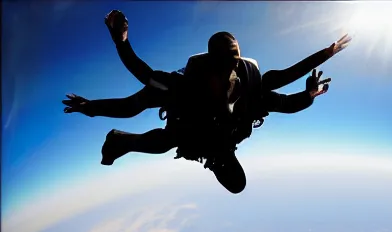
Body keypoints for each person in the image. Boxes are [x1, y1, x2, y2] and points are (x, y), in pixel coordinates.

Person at [62, 10, 351, 193]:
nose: (230, 71)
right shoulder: (182, 86)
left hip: (216, 140)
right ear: (209, 65)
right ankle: (120, 141)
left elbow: (286, 97)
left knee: (238, 185)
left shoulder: (251, 89)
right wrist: (92, 106)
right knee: (165, 141)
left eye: (234, 63)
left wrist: (311, 90)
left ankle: (214, 155)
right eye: (222, 65)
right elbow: (139, 86)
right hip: (188, 126)